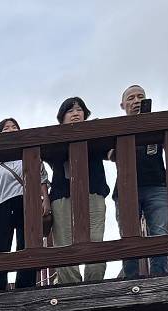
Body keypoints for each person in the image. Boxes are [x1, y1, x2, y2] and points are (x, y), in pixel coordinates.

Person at [47, 96, 110, 285]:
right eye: (70, 111)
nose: (75, 114)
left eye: (79, 110)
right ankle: (69, 284)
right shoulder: (53, 139)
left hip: (94, 192)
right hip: (62, 195)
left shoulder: (96, 135)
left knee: (96, 239)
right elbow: (48, 157)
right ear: (62, 117)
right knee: (64, 243)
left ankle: (94, 283)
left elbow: (109, 152)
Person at [117, 84, 168, 278]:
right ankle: (130, 276)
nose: (136, 101)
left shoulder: (157, 123)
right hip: (125, 188)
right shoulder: (115, 128)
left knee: (159, 231)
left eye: (140, 97)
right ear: (122, 105)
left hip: (157, 183)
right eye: (130, 98)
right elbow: (107, 151)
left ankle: (159, 274)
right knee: (129, 234)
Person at [0, 117, 44, 292]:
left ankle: (25, 285)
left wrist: (45, 201)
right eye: (5, 128)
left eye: (14, 127)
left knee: (27, 244)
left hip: (27, 201)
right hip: (2, 203)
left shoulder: (29, 154)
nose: (11, 129)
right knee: (1, 246)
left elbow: (42, 179)